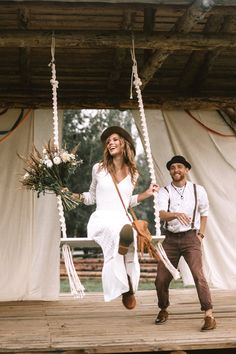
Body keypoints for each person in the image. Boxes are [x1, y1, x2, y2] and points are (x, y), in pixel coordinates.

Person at [71, 126, 159, 309]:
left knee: (130, 237)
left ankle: (129, 283)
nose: (110, 143)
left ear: (123, 143)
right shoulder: (99, 168)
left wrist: (146, 194)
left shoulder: (133, 173)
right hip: (102, 218)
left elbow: (126, 201)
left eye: (115, 139)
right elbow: (91, 197)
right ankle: (126, 288)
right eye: (108, 141)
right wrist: (73, 196)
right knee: (115, 231)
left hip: (122, 217)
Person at [155, 155, 216, 331]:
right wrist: (174, 214)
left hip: (191, 238)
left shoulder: (198, 190)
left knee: (198, 275)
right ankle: (164, 308)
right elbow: (160, 213)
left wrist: (201, 235)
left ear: (187, 169)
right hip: (169, 238)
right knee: (161, 279)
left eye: (179, 167)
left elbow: (204, 213)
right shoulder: (164, 191)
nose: (176, 170)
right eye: (173, 167)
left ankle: (209, 315)